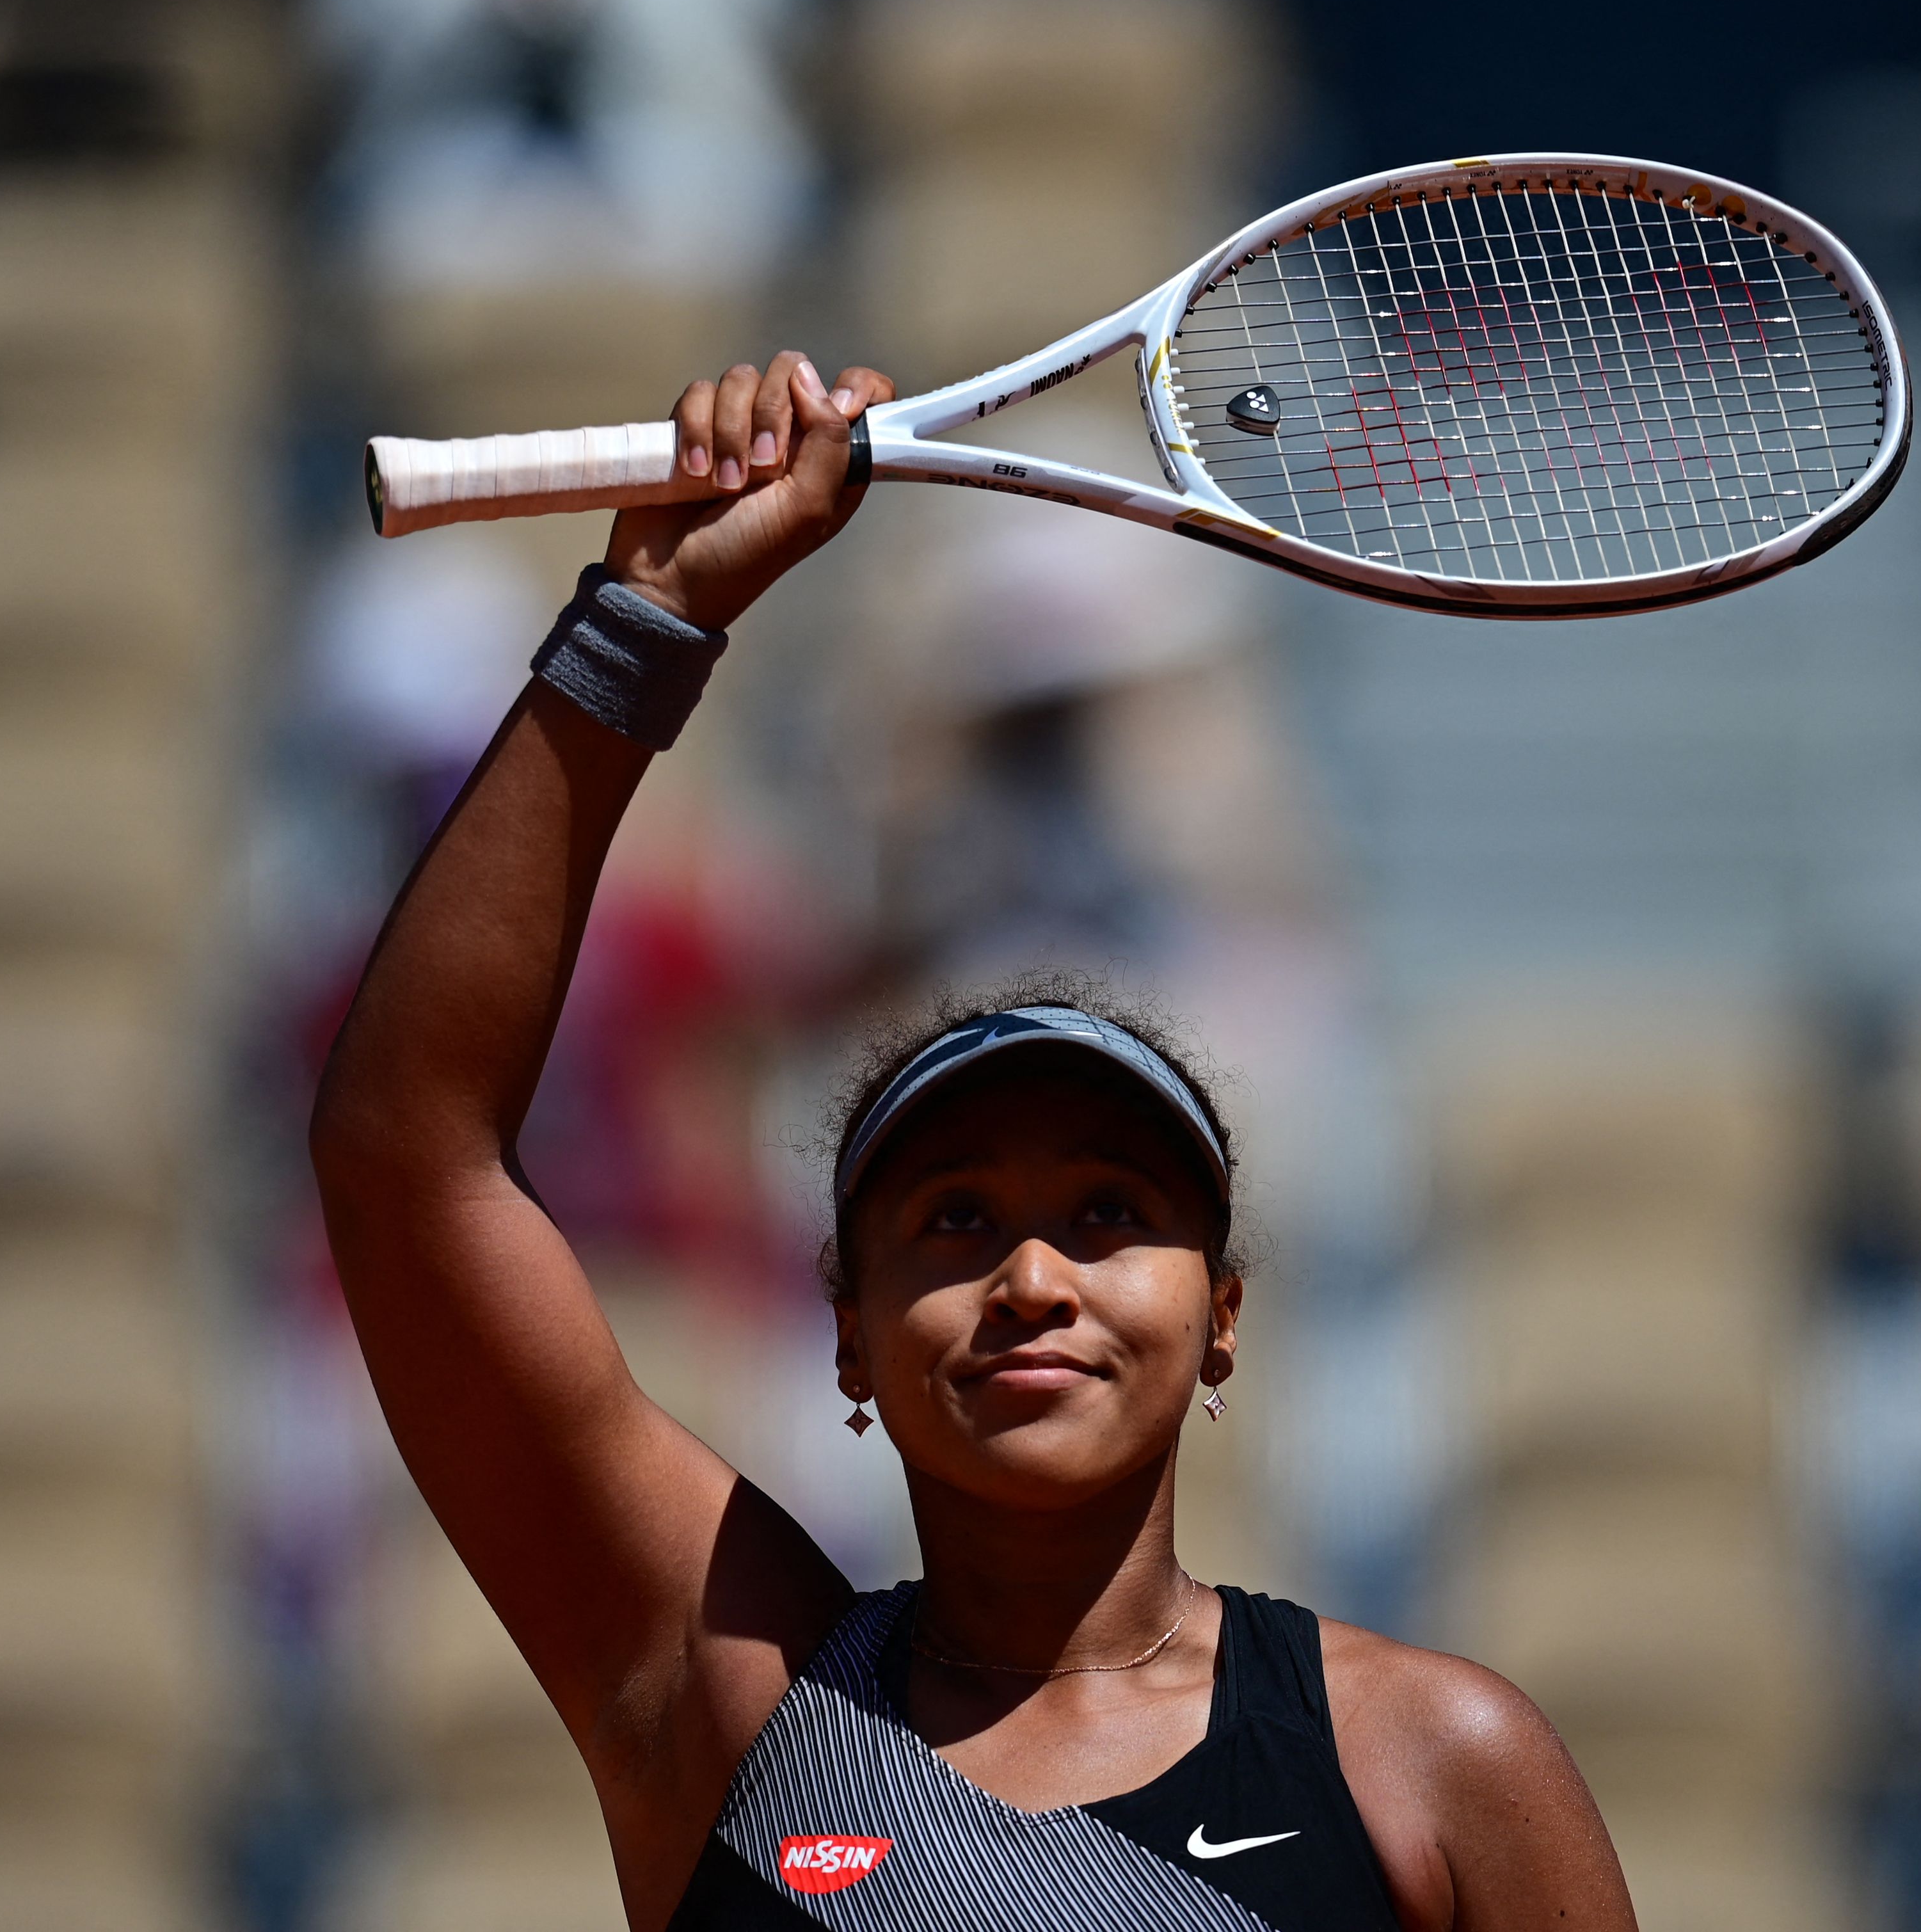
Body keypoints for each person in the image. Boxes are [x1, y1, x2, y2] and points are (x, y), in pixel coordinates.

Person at [309, 352, 1638, 1931]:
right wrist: (644, 617)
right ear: (847, 1334)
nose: (1028, 1276)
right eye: (949, 1217)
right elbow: (408, 1160)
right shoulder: (731, 1708)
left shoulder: (1437, 1765)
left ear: (1223, 1316)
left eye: (1104, 1211)